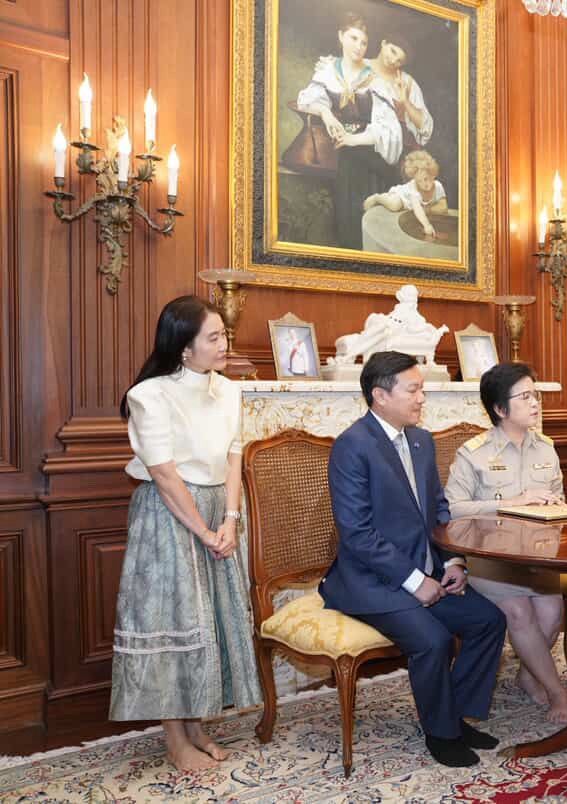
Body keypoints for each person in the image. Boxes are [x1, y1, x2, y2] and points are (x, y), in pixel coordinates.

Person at [320, 351, 507, 767]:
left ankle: (453, 715)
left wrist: (453, 563)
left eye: (422, 389)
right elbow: (357, 534)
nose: (422, 398)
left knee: (488, 621)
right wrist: (415, 581)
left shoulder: (421, 440)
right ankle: (441, 735)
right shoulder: (352, 446)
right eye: (414, 390)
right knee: (432, 640)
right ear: (380, 395)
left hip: (427, 571)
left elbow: (439, 510)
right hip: (371, 581)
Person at [110, 296, 261, 771]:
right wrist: (203, 531)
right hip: (170, 514)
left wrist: (230, 520)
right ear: (183, 347)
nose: (224, 344)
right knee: (175, 620)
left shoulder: (230, 391)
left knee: (207, 622)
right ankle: (175, 738)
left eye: (224, 335)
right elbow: (164, 474)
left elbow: (234, 457)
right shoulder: (149, 396)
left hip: (218, 510)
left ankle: (196, 727)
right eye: (213, 337)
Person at [444, 362, 567, 724]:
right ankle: (557, 691)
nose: (535, 403)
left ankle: (528, 674)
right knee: (518, 612)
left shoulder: (546, 448)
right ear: (500, 408)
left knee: (552, 612)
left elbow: (560, 499)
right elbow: (452, 509)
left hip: (536, 556)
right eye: (525, 396)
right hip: (492, 559)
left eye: (536, 395)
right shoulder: (473, 453)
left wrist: (556, 507)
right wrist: (508, 503)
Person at [295, 14, 405, 250]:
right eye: (353, 38)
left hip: (371, 158)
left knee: (368, 223)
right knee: (346, 222)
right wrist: (327, 113)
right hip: (343, 154)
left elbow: (389, 130)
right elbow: (308, 100)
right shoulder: (328, 71)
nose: (359, 46)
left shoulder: (374, 80)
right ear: (341, 36)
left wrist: (352, 139)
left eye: (363, 42)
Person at [363, 149, 447, 241]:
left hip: (416, 207)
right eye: (419, 181)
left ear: (433, 174)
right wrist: (427, 225)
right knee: (394, 205)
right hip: (403, 197)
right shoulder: (413, 188)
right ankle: (377, 197)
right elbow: (417, 208)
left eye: (426, 179)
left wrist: (429, 209)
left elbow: (443, 206)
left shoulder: (438, 186)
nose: (424, 184)